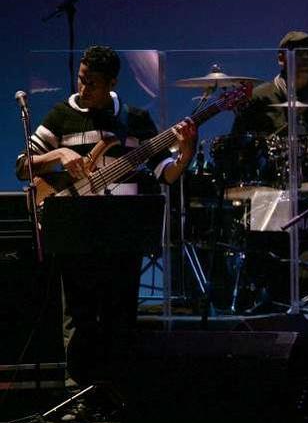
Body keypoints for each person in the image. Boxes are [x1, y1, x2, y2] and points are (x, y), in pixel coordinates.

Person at [15, 45, 197, 383]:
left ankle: (117, 393)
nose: (83, 89)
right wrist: (58, 154)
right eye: (81, 80)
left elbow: (166, 174)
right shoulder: (61, 115)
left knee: (120, 316)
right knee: (79, 318)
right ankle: (78, 394)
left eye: (92, 84)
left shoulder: (135, 121)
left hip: (120, 232)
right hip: (75, 230)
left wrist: (185, 153)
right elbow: (23, 167)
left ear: (112, 82)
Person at [232, 30, 308, 182]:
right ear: (281, 59)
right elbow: (238, 144)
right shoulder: (259, 98)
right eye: (299, 53)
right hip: (266, 184)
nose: (306, 58)